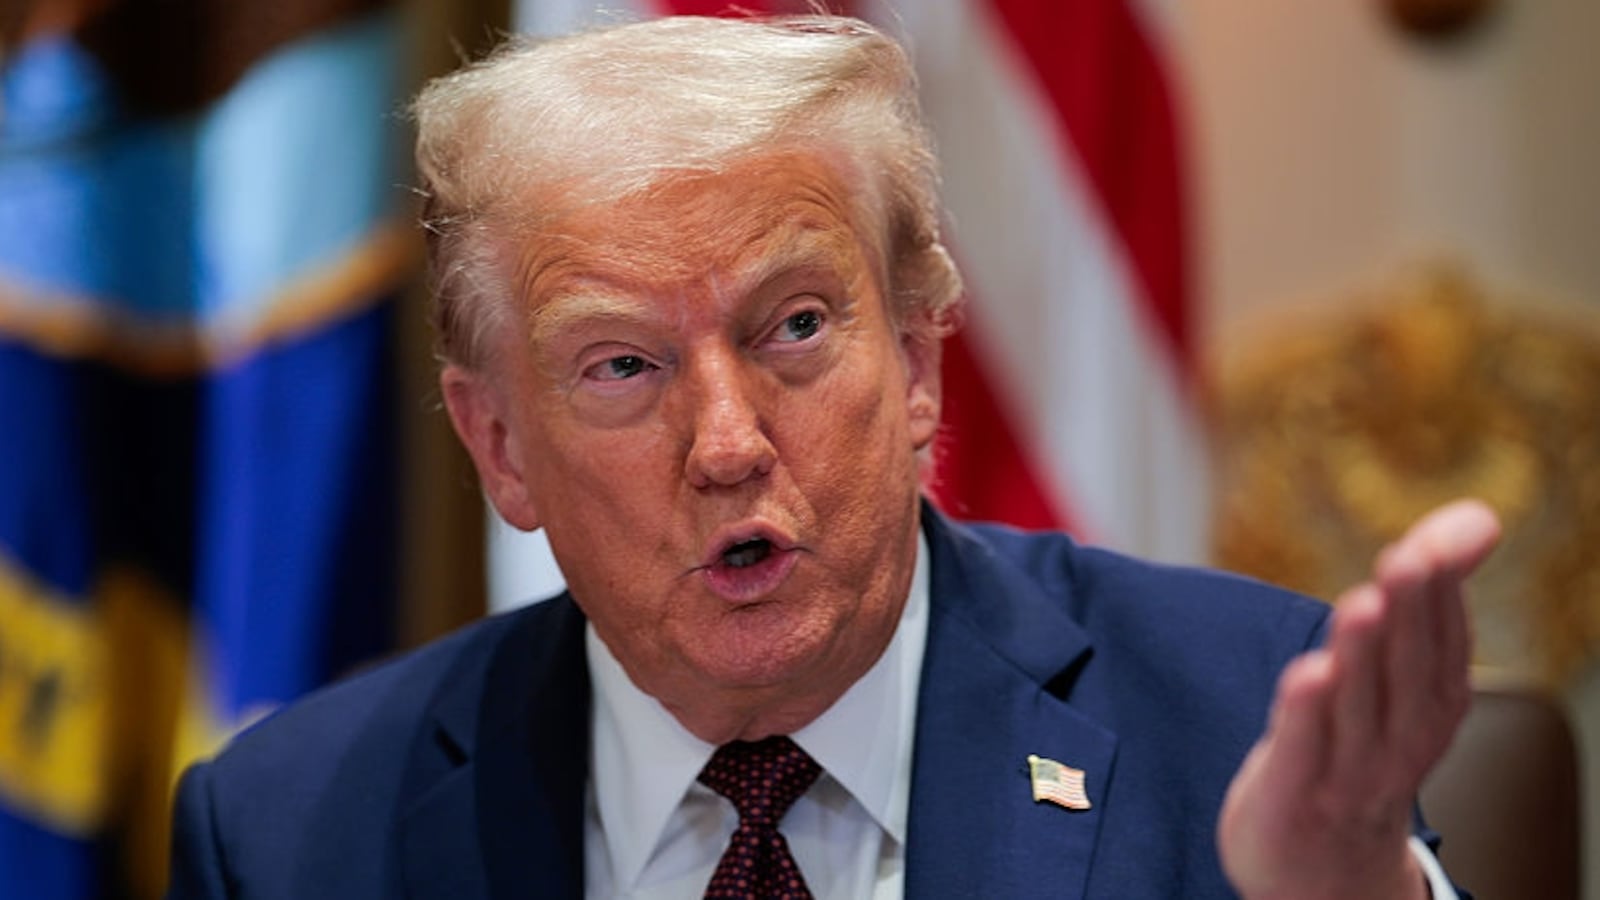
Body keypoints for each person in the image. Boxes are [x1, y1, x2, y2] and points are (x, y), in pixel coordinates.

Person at [164, 13, 1501, 900]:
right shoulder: (288, 835)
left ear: (917, 362)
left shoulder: (1239, 719)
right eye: (623, 365)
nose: (729, 443)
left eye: (795, 327)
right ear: (500, 447)